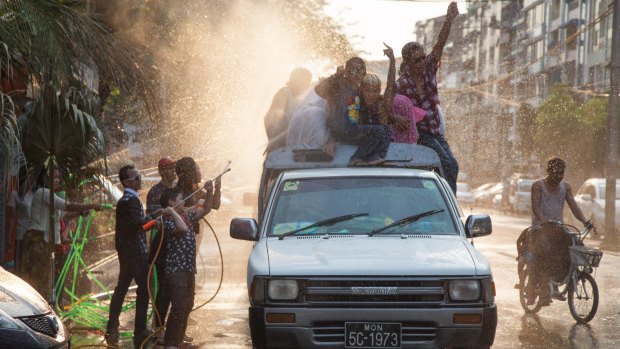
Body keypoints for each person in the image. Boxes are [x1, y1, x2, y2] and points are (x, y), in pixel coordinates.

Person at [396, 1, 460, 193]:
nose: (423, 62)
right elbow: (388, 105)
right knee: (445, 164)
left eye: (424, 57)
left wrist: (449, 19)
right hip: (419, 134)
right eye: (418, 59)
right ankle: (443, 200)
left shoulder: (428, 71)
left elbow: (440, 44)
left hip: (435, 132)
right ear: (407, 62)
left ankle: (449, 203)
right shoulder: (401, 85)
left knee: (453, 166)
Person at [22, 168, 103, 300]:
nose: (57, 180)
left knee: (46, 280)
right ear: (45, 179)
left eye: (58, 177)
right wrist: (92, 204)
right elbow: (65, 206)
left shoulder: (50, 196)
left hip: (45, 243)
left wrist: (81, 212)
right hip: (37, 241)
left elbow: (64, 215)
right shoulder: (43, 192)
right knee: (37, 281)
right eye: (54, 177)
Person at [524, 158, 591, 306]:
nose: (559, 176)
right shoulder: (538, 185)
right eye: (556, 172)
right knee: (542, 254)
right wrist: (544, 221)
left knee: (576, 244)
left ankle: (558, 281)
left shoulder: (565, 187)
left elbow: (574, 206)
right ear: (549, 171)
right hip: (539, 229)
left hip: (558, 229)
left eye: (562, 173)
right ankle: (532, 290)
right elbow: (536, 207)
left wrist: (586, 221)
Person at [159, 185, 214, 349]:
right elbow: (181, 229)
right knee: (178, 305)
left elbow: (207, 209)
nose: (183, 201)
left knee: (188, 304)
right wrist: (171, 211)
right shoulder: (167, 220)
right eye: (180, 199)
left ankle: (178, 340)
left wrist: (211, 191)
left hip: (188, 269)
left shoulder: (186, 216)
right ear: (170, 202)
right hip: (176, 270)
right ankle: (170, 342)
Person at [105, 165, 153, 347]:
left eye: (139, 176)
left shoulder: (129, 200)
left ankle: (112, 326)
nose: (140, 179)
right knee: (144, 288)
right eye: (136, 178)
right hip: (135, 253)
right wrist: (153, 220)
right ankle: (140, 329)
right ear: (126, 182)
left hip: (129, 252)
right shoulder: (129, 200)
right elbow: (137, 225)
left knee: (122, 288)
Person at [315, 56, 391, 165]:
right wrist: (336, 76)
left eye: (360, 71)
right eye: (352, 70)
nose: (356, 74)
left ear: (364, 73)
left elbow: (380, 102)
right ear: (346, 72)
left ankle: (376, 157)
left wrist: (393, 116)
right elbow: (318, 90)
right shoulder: (339, 87)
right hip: (344, 131)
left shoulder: (362, 89)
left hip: (356, 129)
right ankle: (356, 158)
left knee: (387, 129)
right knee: (378, 130)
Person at [146, 156, 177, 334]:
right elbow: (151, 215)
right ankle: (158, 325)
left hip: (176, 244)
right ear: (160, 171)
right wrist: (166, 213)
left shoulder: (178, 189)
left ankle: (174, 325)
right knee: (163, 285)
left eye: (172, 167)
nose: (170, 171)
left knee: (177, 285)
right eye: (166, 168)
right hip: (161, 242)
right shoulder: (155, 191)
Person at [264, 67, 313, 153]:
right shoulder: (284, 93)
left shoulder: (309, 96)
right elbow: (270, 118)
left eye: (308, 81)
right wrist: (273, 140)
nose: (307, 84)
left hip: (298, 143)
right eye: (304, 80)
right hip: (279, 144)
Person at [7, 184, 34, 275]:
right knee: (19, 262)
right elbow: (12, 217)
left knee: (31, 263)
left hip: (34, 233)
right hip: (21, 232)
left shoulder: (37, 192)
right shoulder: (15, 194)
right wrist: (9, 237)